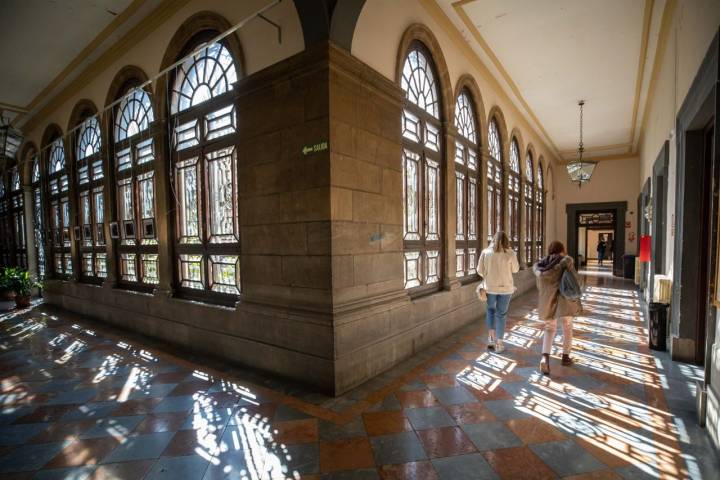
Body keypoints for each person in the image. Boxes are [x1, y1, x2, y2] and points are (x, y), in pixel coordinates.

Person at [533, 240, 582, 375]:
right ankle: (565, 357)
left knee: (549, 329)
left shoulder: (541, 266)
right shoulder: (566, 262)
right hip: (564, 300)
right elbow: (575, 280)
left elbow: (539, 287)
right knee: (567, 327)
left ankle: (545, 358)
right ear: (562, 249)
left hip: (547, 301)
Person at [477, 231, 520, 353]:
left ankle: (490, 339)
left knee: (490, 311)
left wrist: (489, 273)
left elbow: (479, 270)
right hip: (506, 289)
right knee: (501, 314)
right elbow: (516, 269)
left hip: (490, 288)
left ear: (493, 240)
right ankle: (499, 343)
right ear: (507, 241)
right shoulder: (510, 253)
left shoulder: (485, 252)